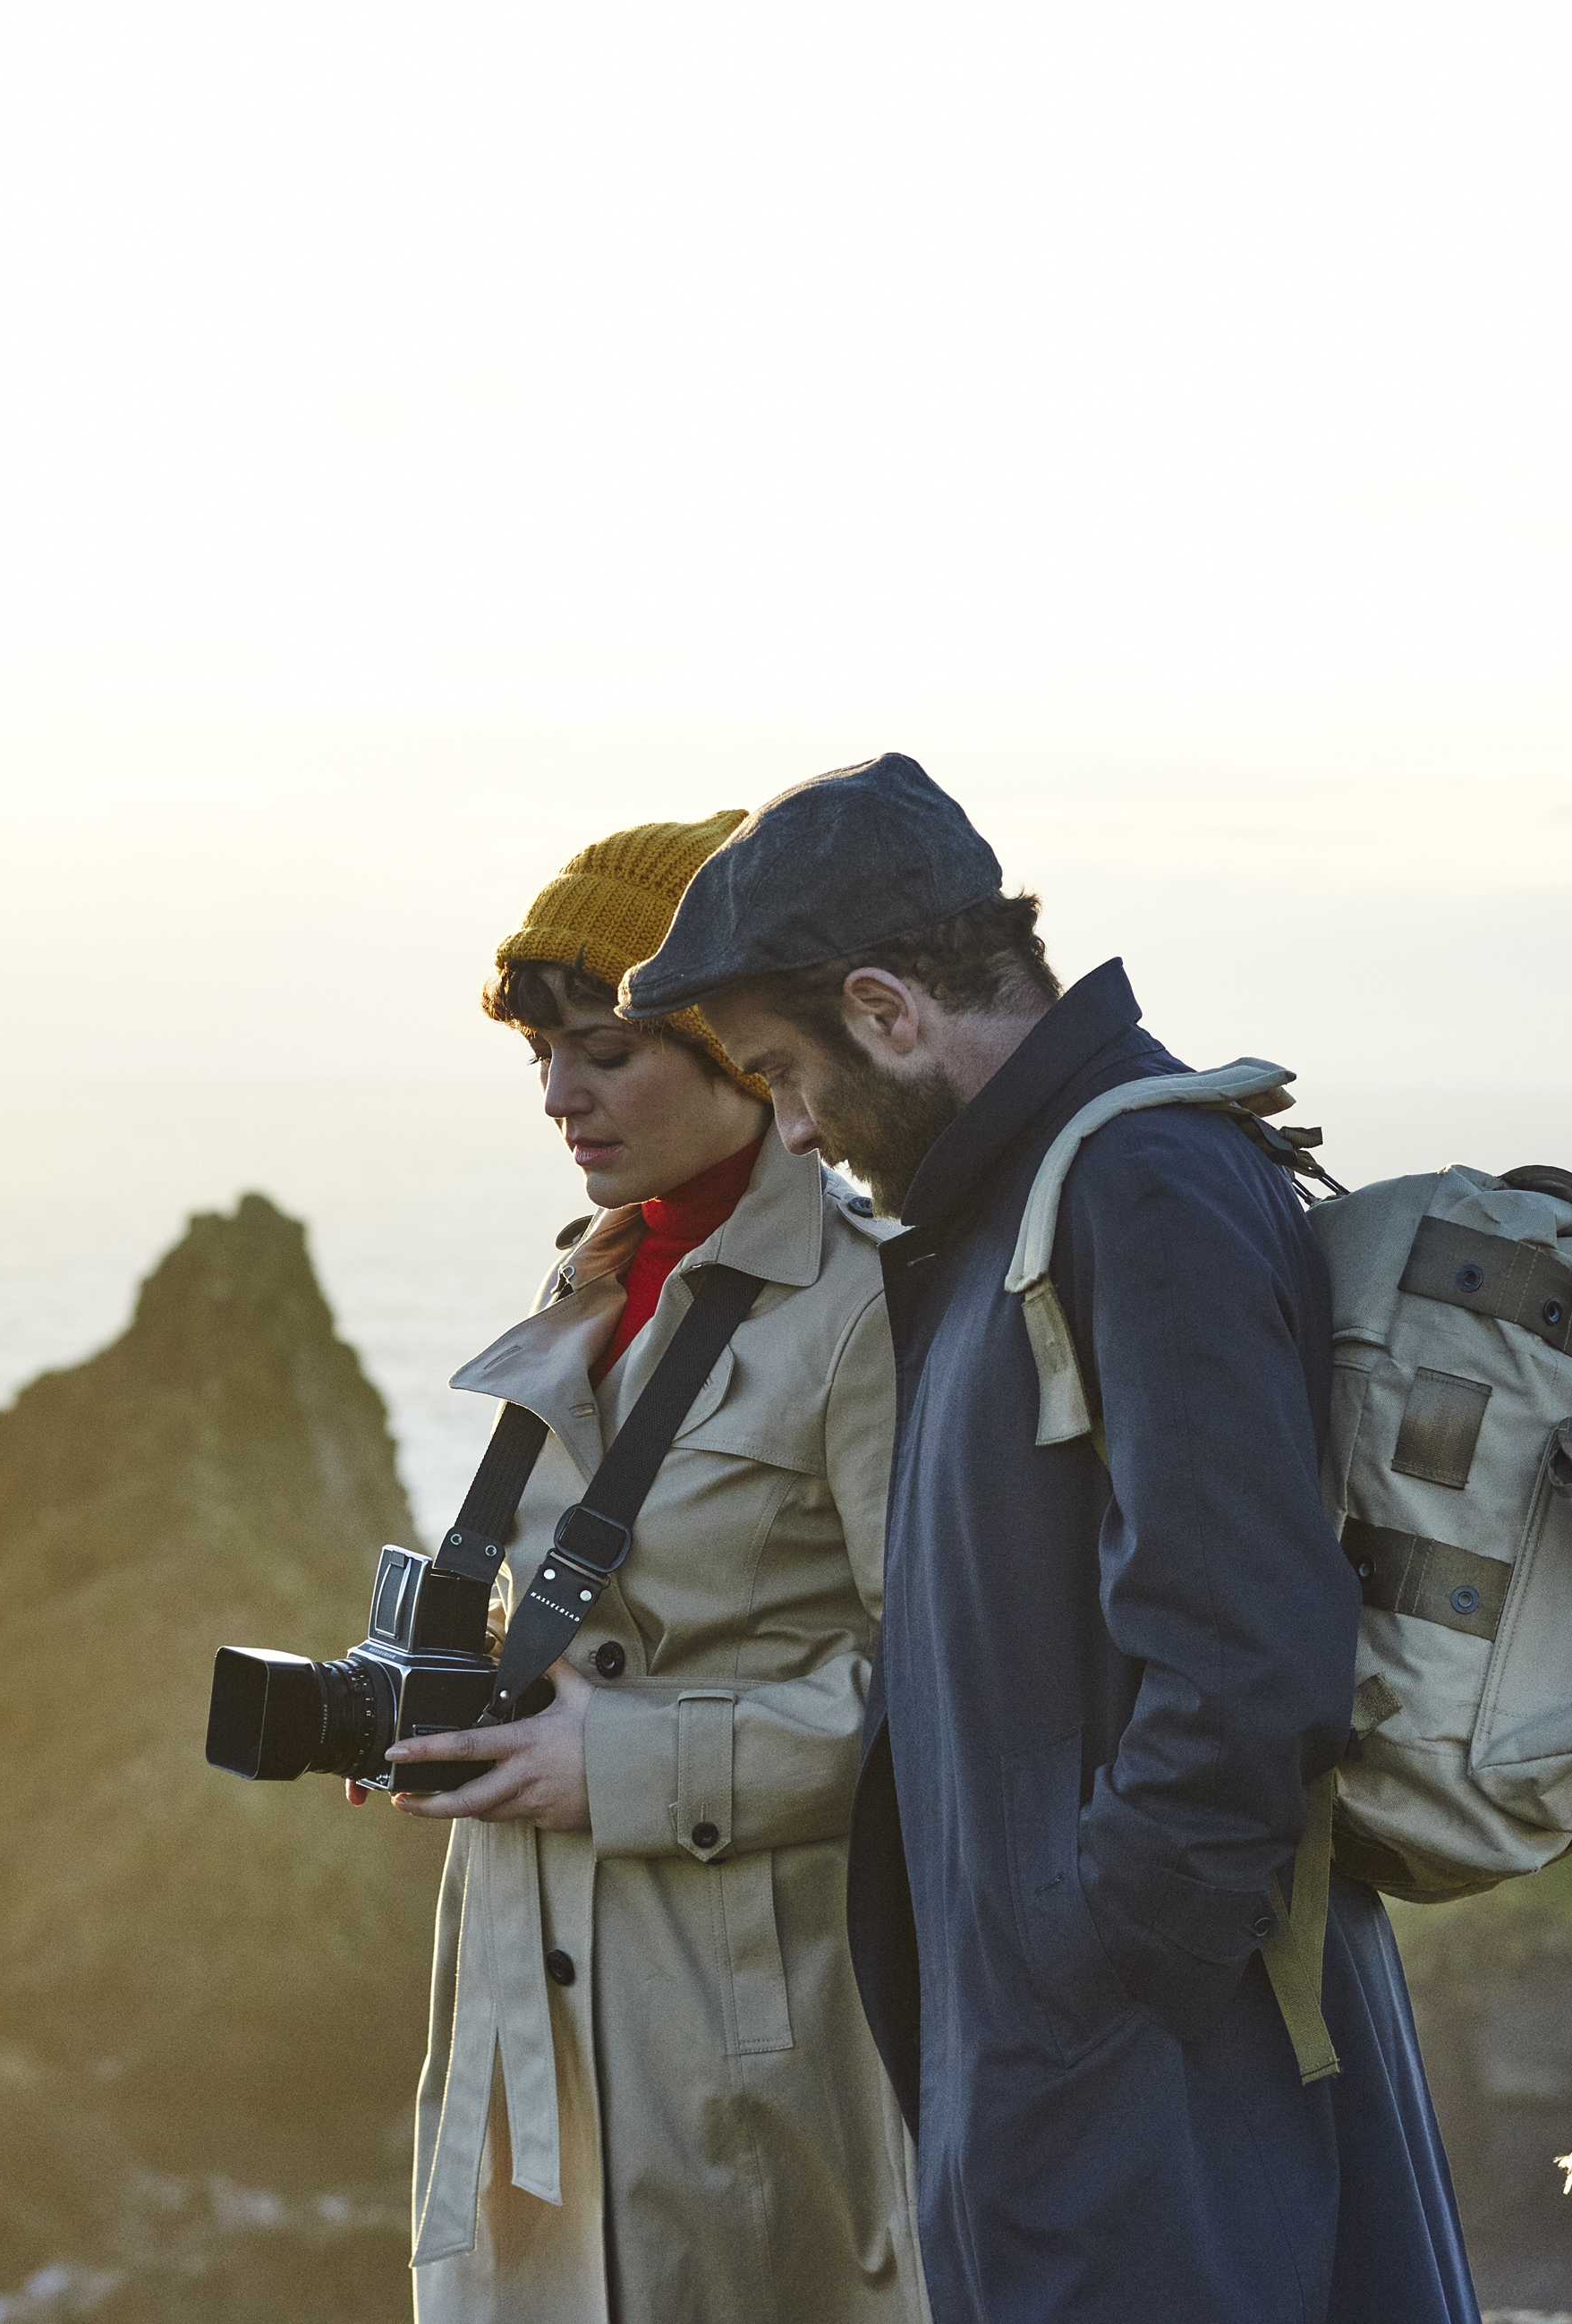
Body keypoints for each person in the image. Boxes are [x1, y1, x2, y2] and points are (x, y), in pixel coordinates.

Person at [625, 754, 1478, 2324]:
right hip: (1085, 2084)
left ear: (884, 1007)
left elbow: (1245, 1652)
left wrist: (1097, 1971)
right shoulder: (1020, 1202)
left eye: (783, 1074)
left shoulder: (1136, 1183)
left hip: (1158, 2096)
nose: (796, 1133)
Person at [386, 813, 926, 2324]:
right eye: (541, 1056)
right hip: (521, 1983)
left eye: (608, 1049)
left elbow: (939, 1693)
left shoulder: (868, 1307)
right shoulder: (587, 1277)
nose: (561, 1094)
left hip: (745, 2013)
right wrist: (459, 1711)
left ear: (740, 1047)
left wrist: (610, 1762)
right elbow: (609, 1624)